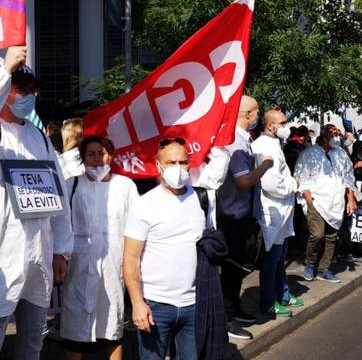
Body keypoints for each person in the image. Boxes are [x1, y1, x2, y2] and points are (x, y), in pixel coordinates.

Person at [0, 47, 73, 360]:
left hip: (39, 246)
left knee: (34, 337)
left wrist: (61, 248)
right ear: (4, 90)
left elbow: (57, 192)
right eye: (22, 90)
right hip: (1, 247)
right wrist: (3, 71)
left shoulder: (40, 137)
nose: (29, 96)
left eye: (33, 91)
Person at [123, 138, 205, 359]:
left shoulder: (201, 199)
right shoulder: (144, 204)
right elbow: (130, 259)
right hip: (156, 305)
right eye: (171, 162)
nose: (178, 168)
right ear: (159, 166)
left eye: (183, 162)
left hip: (194, 303)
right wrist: (137, 303)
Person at [61, 136, 139, 360]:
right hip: (79, 266)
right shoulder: (72, 184)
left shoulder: (125, 186)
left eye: (101, 153)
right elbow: (62, 223)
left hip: (113, 265)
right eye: (91, 154)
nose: (97, 159)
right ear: (83, 158)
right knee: (75, 325)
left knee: (112, 323)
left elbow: (135, 226)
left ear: (111, 155)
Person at [216, 96, 272, 340]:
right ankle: (226, 318)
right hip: (232, 216)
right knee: (232, 268)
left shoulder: (242, 139)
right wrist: (265, 166)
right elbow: (243, 181)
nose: (257, 117)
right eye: (257, 112)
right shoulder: (235, 143)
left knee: (238, 269)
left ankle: (235, 309)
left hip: (242, 214)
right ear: (247, 114)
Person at [251, 110, 302, 318]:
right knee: (272, 259)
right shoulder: (262, 146)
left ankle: (282, 294)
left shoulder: (274, 144)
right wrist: (293, 184)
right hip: (272, 211)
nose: (286, 126)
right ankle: (268, 301)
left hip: (282, 211)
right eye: (282, 123)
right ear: (270, 126)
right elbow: (271, 184)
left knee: (280, 257)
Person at [295, 124, 357, 283]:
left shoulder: (342, 154)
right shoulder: (309, 153)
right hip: (316, 201)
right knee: (317, 235)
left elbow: (349, 178)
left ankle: (324, 269)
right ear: (323, 136)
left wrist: (350, 199)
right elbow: (301, 177)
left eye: (338, 134)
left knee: (331, 237)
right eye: (333, 134)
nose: (337, 137)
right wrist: (309, 200)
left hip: (336, 203)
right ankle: (310, 264)